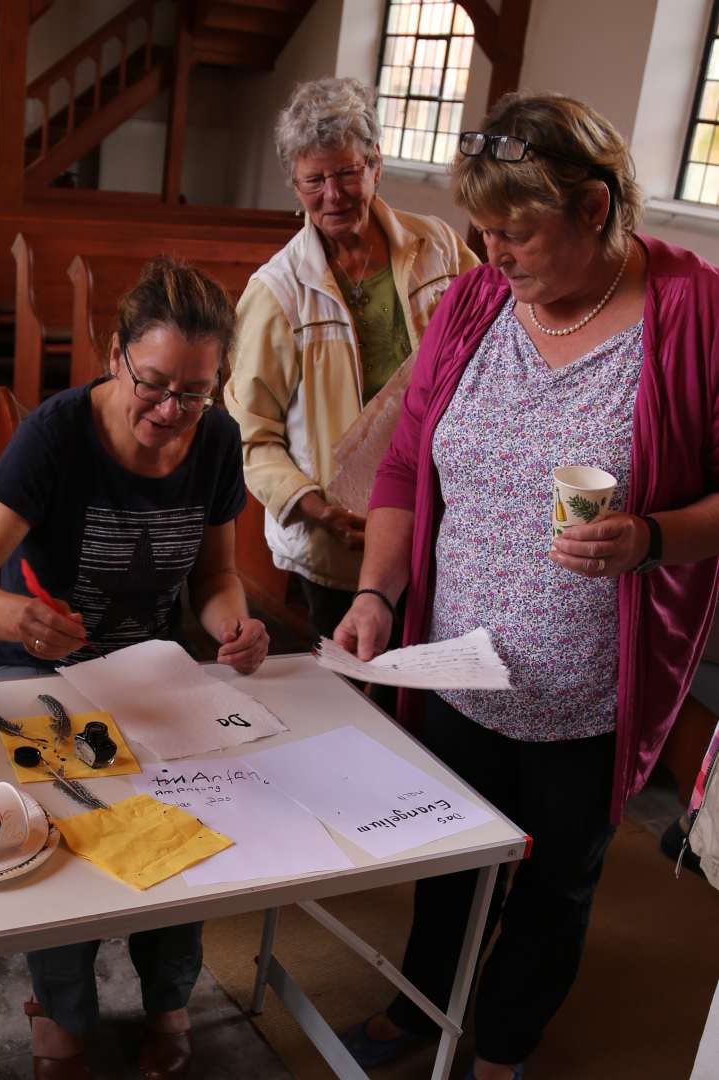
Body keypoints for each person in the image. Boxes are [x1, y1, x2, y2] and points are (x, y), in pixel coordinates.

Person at [333, 92, 719, 1080]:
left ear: (594, 209)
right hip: (458, 659)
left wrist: (654, 539)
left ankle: (503, 1041)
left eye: (517, 232)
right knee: (448, 859)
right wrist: (376, 594)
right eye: (481, 231)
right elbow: (404, 469)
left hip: (588, 685)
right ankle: (425, 999)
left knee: (556, 882)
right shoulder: (472, 304)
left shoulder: (693, 312)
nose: (492, 253)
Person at [0, 257, 270, 1080]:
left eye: (194, 393)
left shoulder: (216, 439)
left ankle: (167, 998)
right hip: (32, 673)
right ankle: (61, 1013)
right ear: (115, 351)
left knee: (184, 821)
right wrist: (14, 613)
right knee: (74, 830)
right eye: (153, 384)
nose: (170, 410)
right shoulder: (56, 434)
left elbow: (215, 578)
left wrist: (231, 624)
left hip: (147, 672)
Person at [225, 76, 477, 641]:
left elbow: (488, 344)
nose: (333, 195)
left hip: (437, 514)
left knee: (424, 673)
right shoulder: (278, 291)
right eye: (314, 180)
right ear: (295, 183)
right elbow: (249, 433)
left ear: (375, 165)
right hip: (338, 532)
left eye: (346, 172)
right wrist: (315, 507)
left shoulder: (437, 246)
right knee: (352, 675)